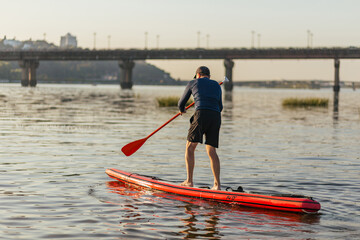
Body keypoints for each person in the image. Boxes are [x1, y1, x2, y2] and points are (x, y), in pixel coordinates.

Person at [178, 66, 223, 190]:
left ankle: (189, 181)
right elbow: (220, 106)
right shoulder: (217, 85)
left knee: (190, 147)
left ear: (198, 75)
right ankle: (217, 185)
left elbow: (181, 103)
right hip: (216, 116)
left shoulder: (193, 82)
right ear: (208, 75)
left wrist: (182, 110)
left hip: (201, 114)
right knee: (211, 151)